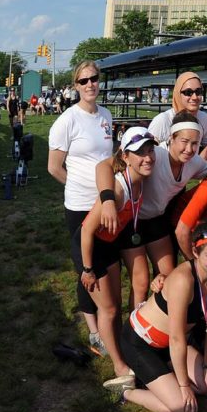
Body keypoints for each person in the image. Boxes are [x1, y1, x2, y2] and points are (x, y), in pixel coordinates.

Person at [111, 223, 207, 412]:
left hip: (170, 345)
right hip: (141, 344)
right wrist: (183, 386)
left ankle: (163, 379)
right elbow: (176, 338)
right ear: (195, 252)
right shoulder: (183, 280)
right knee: (184, 411)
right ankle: (126, 391)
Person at [76, 126, 156, 388]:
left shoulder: (139, 180)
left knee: (115, 304)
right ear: (125, 157)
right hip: (89, 246)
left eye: (150, 151)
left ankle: (121, 347)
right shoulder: (119, 190)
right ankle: (120, 368)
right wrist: (87, 269)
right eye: (140, 153)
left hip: (108, 244)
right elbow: (87, 229)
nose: (148, 158)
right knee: (109, 308)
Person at [96, 112, 207, 290]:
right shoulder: (153, 154)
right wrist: (107, 200)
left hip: (156, 220)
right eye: (184, 142)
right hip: (131, 221)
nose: (189, 149)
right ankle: (136, 316)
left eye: (195, 143)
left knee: (168, 278)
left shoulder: (195, 162)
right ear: (172, 138)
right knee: (141, 282)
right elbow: (103, 165)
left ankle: (159, 316)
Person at [48, 60, 113, 356]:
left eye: (94, 79)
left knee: (105, 262)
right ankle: (94, 331)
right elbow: (53, 167)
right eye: (83, 81)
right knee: (86, 268)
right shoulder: (67, 120)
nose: (90, 84)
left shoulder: (106, 116)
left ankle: (107, 319)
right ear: (75, 86)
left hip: (106, 204)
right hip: (79, 206)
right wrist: (77, 187)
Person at [147, 72, 207, 147]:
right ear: (177, 94)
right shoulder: (163, 120)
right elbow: (148, 151)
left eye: (198, 92)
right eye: (188, 92)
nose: (195, 97)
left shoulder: (203, 118)